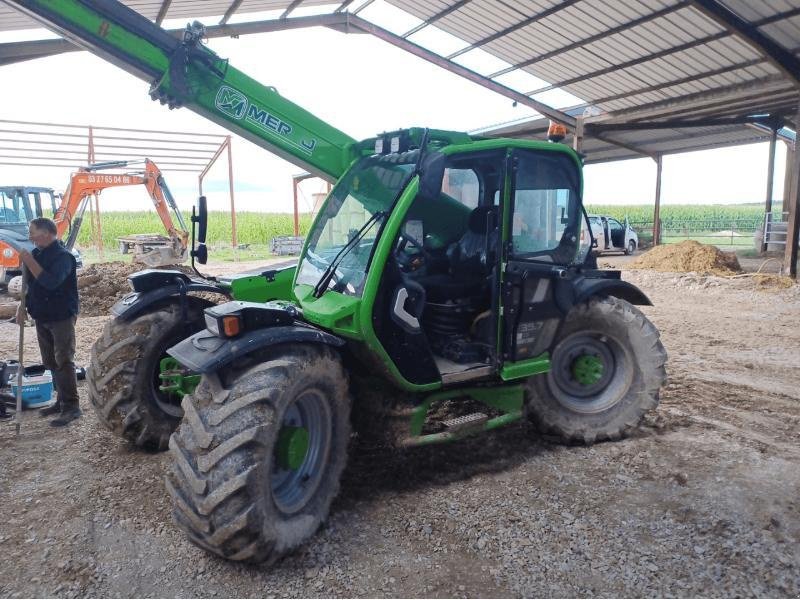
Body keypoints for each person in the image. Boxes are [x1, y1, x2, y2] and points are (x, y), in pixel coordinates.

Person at [15, 217, 81, 427]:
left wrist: (29, 261)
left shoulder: (64, 257)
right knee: (50, 361)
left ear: (45, 233)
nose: (30, 236)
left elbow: (51, 283)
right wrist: (22, 306)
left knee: (63, 360)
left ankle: (72, 407)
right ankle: (61, 401)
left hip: (61, 315)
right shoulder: (36, 254)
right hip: (42, 315)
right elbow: (31, 285)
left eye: (32, 232)